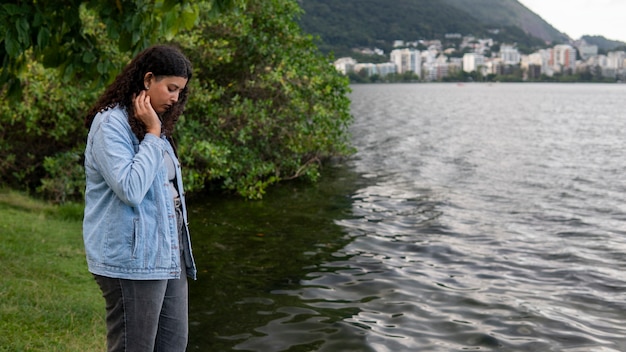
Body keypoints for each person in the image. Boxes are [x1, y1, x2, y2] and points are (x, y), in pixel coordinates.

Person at [83, 45, 197, 352]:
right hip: (132, 259)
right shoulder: (111, 124)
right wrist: (153, 133)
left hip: (167, 253)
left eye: (180, 91)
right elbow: (130, 190)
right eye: (171, 88)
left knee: (173, 345)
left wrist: (154, 131)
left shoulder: (154, 126)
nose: (175, 98)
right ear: (148, 80)